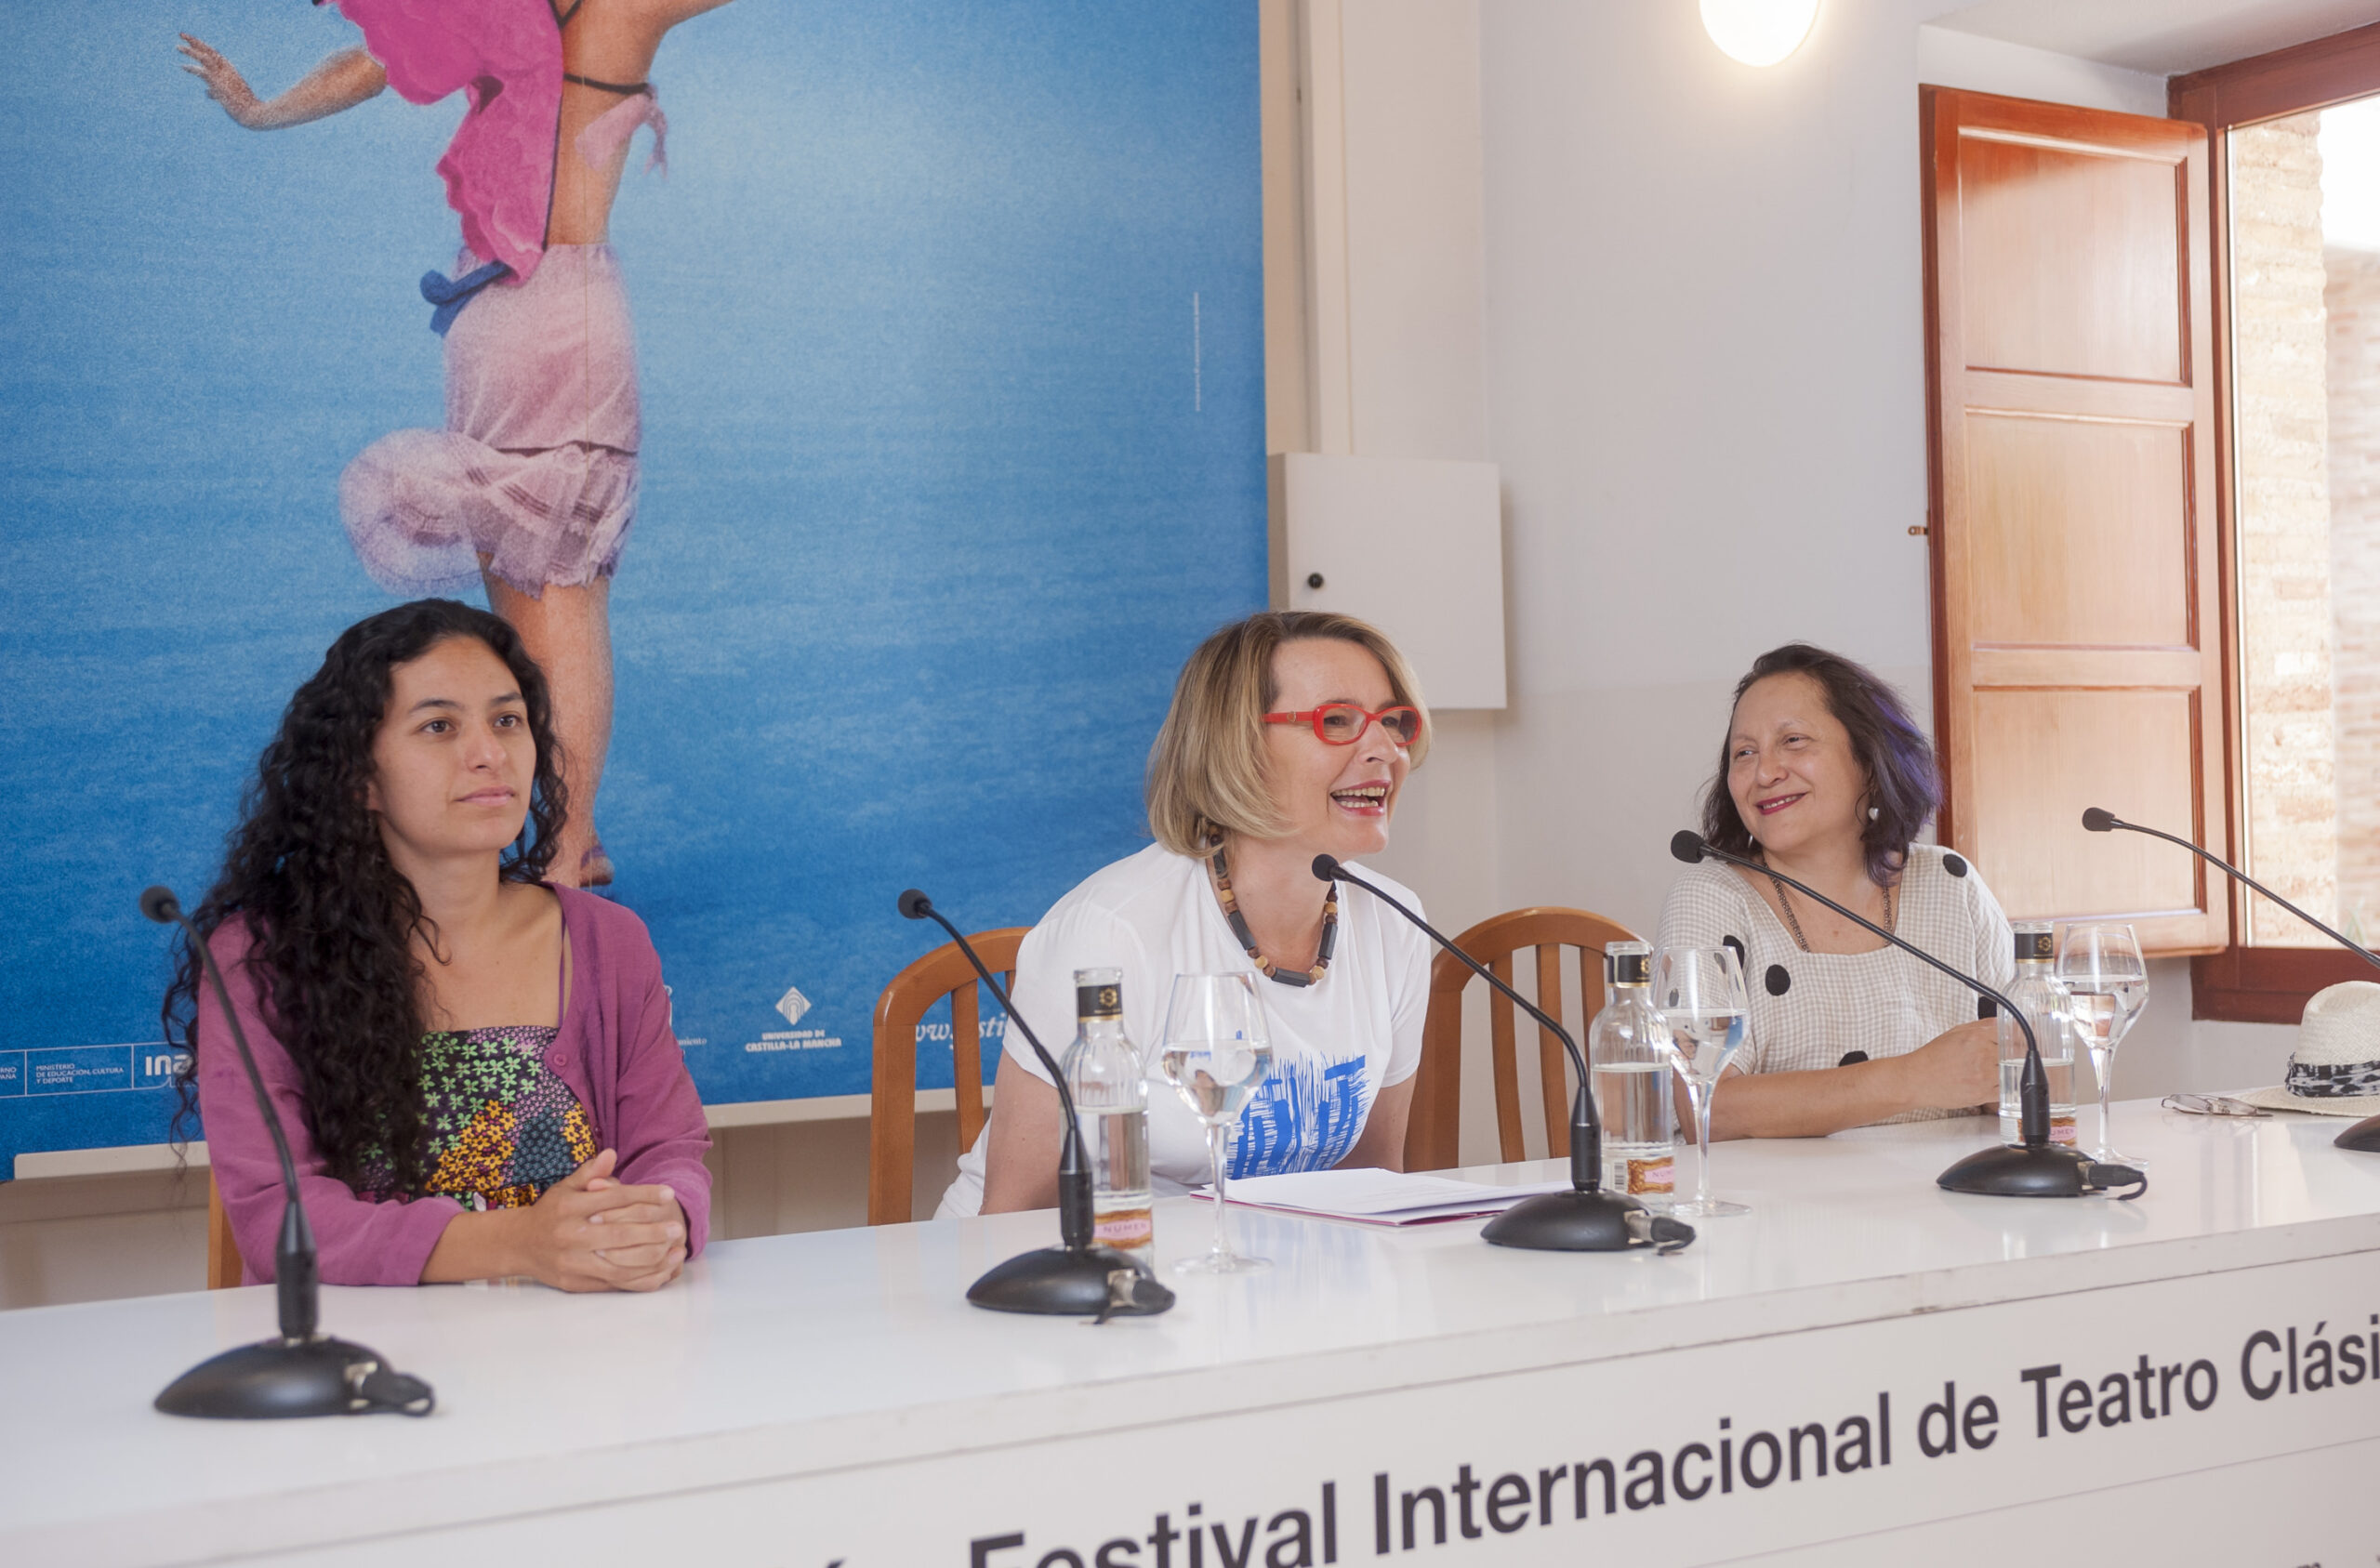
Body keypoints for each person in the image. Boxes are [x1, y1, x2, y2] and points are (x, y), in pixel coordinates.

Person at [179, 0, 735, 886]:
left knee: (532, 600)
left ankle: (567, 840)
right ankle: (567, 847)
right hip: (560, 317)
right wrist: (259, 111)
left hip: (491, 317)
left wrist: (261, 111)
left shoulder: (488, 8)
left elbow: (368, 64)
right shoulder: (612, 12)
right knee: (562, 600)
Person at [163, 600, 710, 1289]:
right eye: (439, 726)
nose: (490, 754)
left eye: (507, 720)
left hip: (581, 1341)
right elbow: (281, 1218)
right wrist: (520, 1242)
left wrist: (664, 1219)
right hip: (360, 1348)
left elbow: (670, 1150)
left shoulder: (609, 940)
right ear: (359, 776)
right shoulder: (264, 958)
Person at [939, 611, 1435, 1217]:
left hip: (1255, 1266)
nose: (1386, 751)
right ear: (1237, 747)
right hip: (1077, 1259)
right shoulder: (1111, 932)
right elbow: (1013, 1217)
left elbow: (1370, 1182)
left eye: (1394, 722)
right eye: (1337, 721)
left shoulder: (1397, 923)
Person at [1655, 643, 2011, 1139]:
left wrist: (2010, 1078)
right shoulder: (1710, 896)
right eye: (1745, 753)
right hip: (1775, 1190)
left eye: (1793, 741)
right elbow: (1705, 1107)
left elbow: (2026, 1074)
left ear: (1869, 758)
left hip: (1946, 1182)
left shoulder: (1952, 884)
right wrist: (1912, 1078)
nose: (1765, 772)